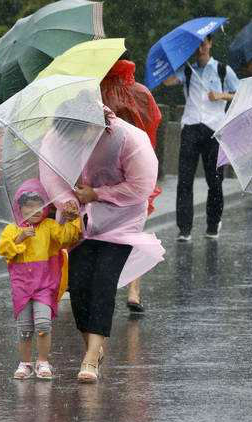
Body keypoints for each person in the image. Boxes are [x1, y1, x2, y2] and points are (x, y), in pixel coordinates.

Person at [42, 106, 163, 383]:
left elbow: (141, 186)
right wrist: (66, 202)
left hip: (121, 223)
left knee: (102, 283)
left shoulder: (129, 140)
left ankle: (91, 357)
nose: (75, 143)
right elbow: (51, 176)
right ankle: (94, 348)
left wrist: (97, 193)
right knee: (79, 286)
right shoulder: (59, 136)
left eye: (80, 135)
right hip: (80, 224)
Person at [0, 179, 81, 380]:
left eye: (39, 205)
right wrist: (19, 239)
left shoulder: (50, 226)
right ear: (19, 207)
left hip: (45, 284)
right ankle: (25, 363)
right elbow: (4, 250)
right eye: (29, 205)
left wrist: (74, 219)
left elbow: (67, 238)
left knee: (43, 324)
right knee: (25, 328)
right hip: (22, 287)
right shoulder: (13, 229)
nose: (35, 210)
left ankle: (43, 361)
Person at [100, 53, 163, 313]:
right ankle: (134, 291)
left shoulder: (98, 92)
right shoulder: (141, 92)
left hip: (105, 170)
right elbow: (153, 127)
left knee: (102, 233)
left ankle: (101, 287)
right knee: (133, 230)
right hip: (136, 168)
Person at [163, 34, 240, 241]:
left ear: (210, 43)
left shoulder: (223, 70)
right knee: (184, 180)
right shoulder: (188, 69)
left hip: (214, 129)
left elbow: (240, 92)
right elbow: (168, 81)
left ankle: (213, 223)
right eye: (196, 45)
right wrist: (175, 60)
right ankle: (184, 228)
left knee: (214, 181)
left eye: (204, 43)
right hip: (190, 126)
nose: (200, 48)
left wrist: (222, 95)